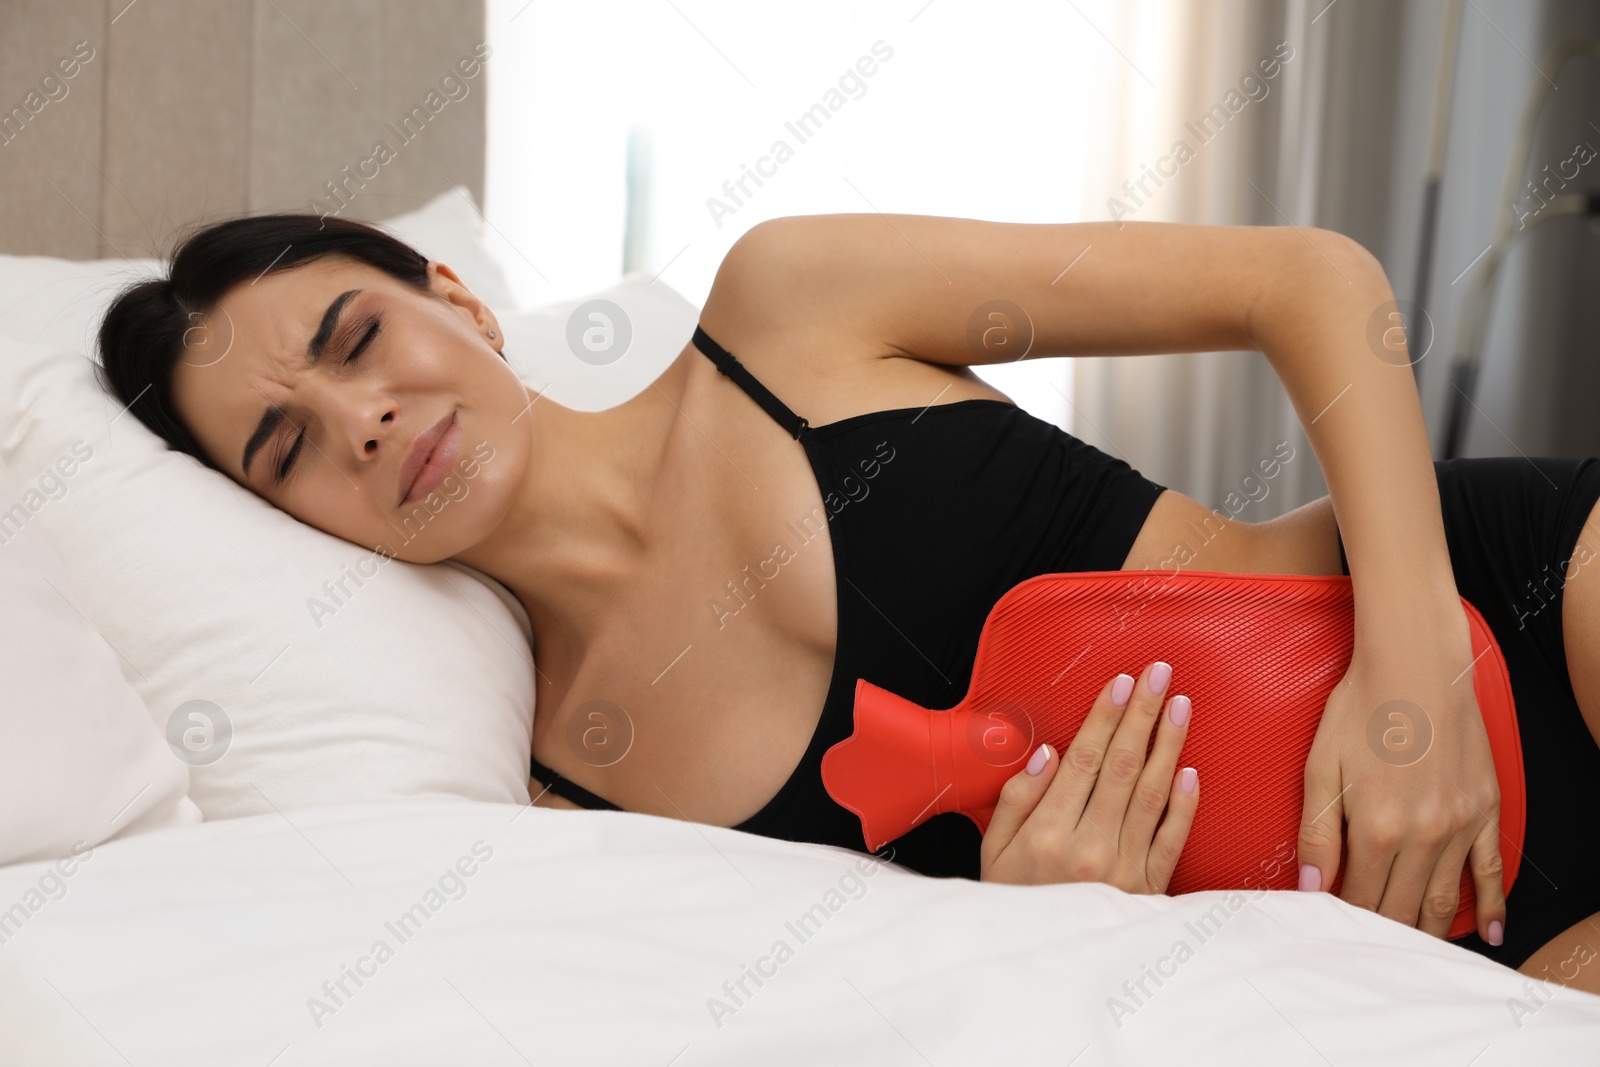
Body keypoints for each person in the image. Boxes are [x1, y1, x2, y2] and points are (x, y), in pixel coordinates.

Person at [95, 211, 1600, 992]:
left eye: (356, 336)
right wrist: (1032, 931)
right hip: (1420, 937)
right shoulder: (564, 805)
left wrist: (1411, 677)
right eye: (284, 446)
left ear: (457, 295)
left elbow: (1311, 282)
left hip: (1505, 617)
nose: (360, 419)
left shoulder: (790, 307)